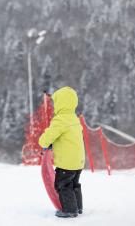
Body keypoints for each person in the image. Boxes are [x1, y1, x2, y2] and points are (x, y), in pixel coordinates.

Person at [38, 86, 85, 218]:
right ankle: (78, 207)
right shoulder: (74, 119)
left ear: (60, 103)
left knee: (63, 185)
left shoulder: (60, 120)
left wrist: (43, 143)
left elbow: (48, 137)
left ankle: (70, 210)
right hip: (78, 161)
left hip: (66, 163)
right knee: (74, 184)